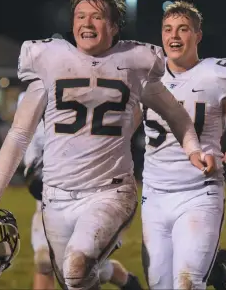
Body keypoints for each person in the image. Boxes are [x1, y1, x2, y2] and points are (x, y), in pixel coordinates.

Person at [0, 0, 214, 290]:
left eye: (96, 17)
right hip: (54, 197)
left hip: (108, 192)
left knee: (76, 267)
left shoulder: (134, 62)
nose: (86, 23)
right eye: (80, 16)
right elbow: (19, 134)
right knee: (75, 281)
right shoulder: (51, 60)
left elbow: (176, 115)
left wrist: (191, 149)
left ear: (113, 26)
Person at [139, 1, 226, 290]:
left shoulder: (217, 76)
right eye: (167, 29)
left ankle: (211, 270)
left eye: (183, 29)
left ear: (197, 35)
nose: (174, 36)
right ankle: (218, 270)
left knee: (187, 283)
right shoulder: (145, 75)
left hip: (198, 193)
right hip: (153, 194)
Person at [24, 121, 142, 290]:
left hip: (91, 199)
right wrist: (35, 175)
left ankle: (124, 279)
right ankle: (123, 279)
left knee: (79, 268)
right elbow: (31, 162)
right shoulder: (37, 111)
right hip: (51, 201)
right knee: (44, 261)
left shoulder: (93, 111)